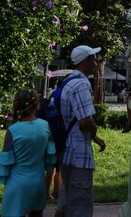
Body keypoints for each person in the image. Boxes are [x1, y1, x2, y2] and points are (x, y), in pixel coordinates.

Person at [55, 45, 106, 217]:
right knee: (79, 204)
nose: (96, 63)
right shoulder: (81, 85)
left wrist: (95, 137)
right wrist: (94, 130)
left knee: (64, 201)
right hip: (79, 154)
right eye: (93, 59)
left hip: (67, 150)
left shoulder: (68, 81)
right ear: (86, 61)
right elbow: (85, 121)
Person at [0, 89, 56, 217]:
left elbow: (5, 162)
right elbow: (50, 158)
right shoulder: (45, 126)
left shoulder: (12, 130)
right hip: (38, 183)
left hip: (17, 184)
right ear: (36, 105)